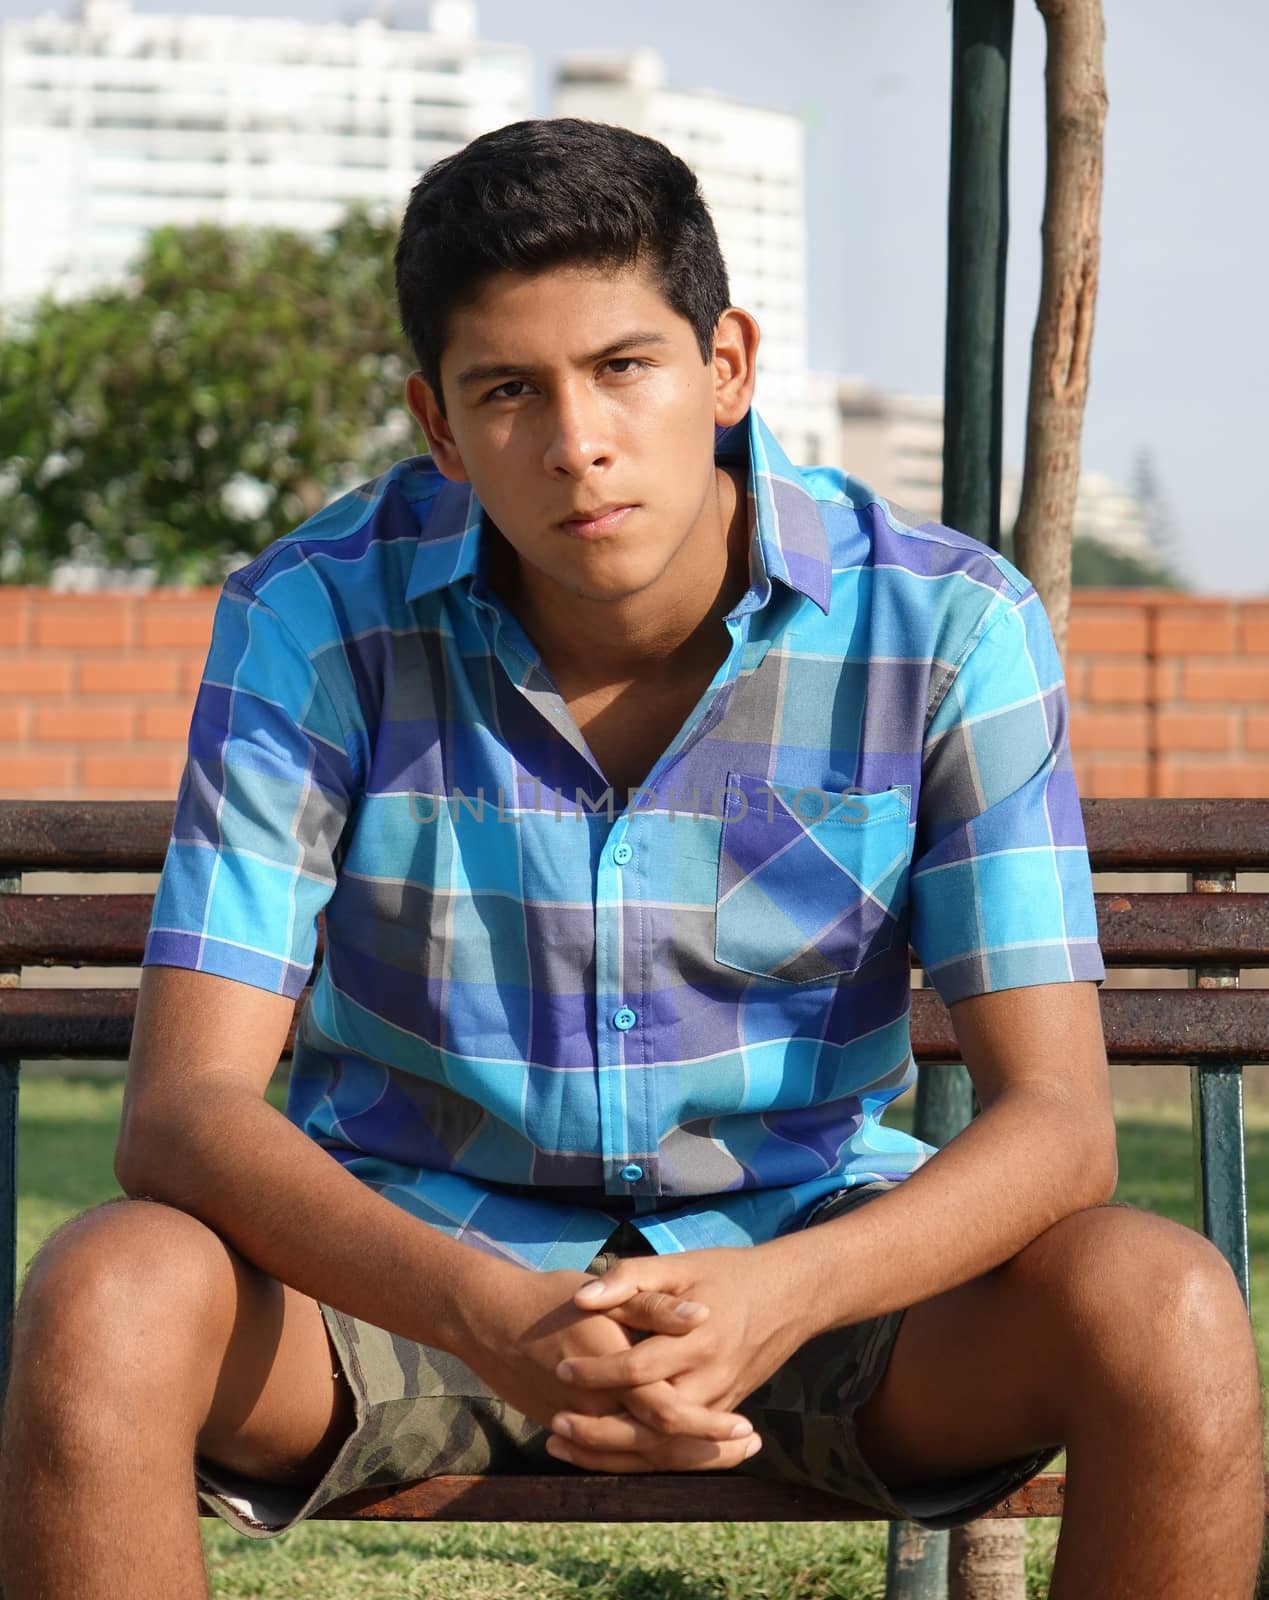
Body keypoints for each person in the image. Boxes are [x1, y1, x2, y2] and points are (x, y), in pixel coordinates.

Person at [0, 118, 1262, 1600]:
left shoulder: (944, 630)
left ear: (723, 364)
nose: (575, 440)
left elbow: (1058, 1122)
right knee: (106, 1296)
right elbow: (187, 1111)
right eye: (506, 392)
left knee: (1164, 1303)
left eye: (621, 367)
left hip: (815, 1275)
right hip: (404, 1274)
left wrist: (778, 1295)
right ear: (438, 423)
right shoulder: (314, 619)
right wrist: (493, 1313)